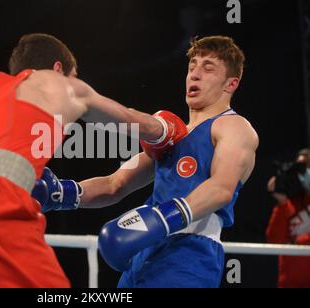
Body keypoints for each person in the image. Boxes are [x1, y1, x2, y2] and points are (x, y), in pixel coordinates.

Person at [0, 33, 187, 288]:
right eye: (74, 75)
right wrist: (166, 129)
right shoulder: (60, 85)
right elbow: (129, 121)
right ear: (59, 69)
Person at [33, 36, 259, 288]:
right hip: (144, 254)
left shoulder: (235, 127)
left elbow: (222, 189)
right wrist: (61, 193)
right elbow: (114, 184)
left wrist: (161, 218)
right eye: (192, 66)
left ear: (231, 83)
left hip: (190, 255)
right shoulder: (174, 138)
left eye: (208, 68)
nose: (195, 74)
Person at [266, 148, 310, 288]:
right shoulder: (288, 205)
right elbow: (274, 242)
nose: (303, 172)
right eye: (300, 168)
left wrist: (296, 242)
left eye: (307, 166)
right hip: (289, 284)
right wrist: (282, 202)